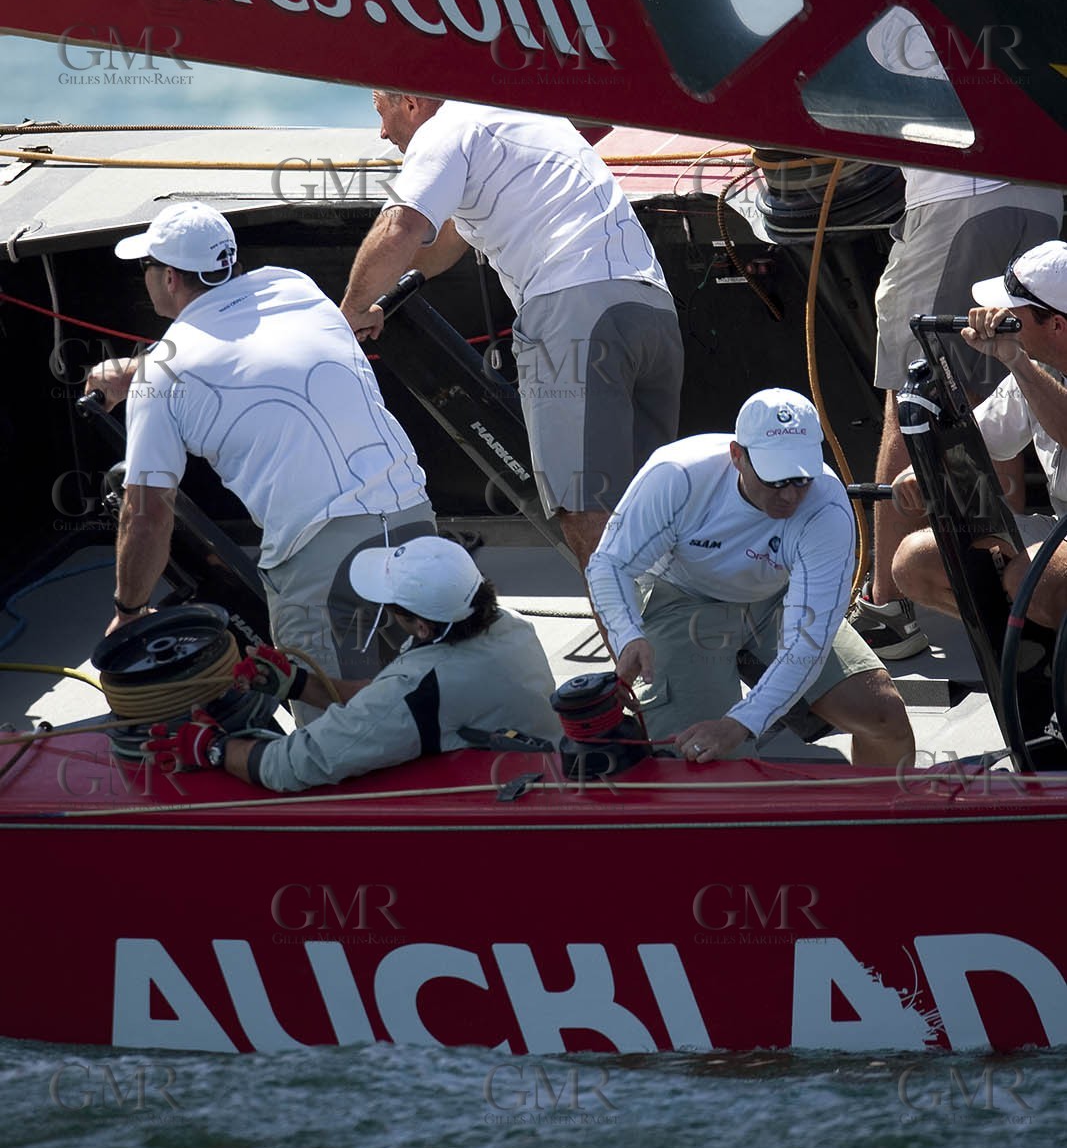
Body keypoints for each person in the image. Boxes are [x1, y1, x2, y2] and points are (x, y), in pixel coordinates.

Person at [86, 202, 434, 708]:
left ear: (167, 278)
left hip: (324, 561)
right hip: (412, 516)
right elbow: (247, 349)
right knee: (428, 685)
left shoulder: (163, 373)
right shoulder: (296, 286)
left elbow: (146, 514)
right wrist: (139, 371)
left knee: (341, 722)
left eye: (146, 269)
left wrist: (130, 608)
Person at [338, 94, 685, 569]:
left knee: (583, 506)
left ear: (412, 103)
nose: (382, 132)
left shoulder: (446, 129)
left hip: (573, 310)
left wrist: (350, 312)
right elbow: (442, 246)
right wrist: (380, 298)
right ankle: (683, 631)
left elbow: (402, 227)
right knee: (653, 499)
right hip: (649, 308)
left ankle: (630, 640)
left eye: (380, 111)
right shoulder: (518, 113)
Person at [585, 389, 914, 766]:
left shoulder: (827, 506)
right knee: (703, 761)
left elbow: (809, 642)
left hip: (776, 597)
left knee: (885, 717)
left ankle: (880, 822)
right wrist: (628, 634)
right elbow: (609, 564)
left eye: (801, 479)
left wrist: (741, 721)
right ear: (737, 456)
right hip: (683, 599)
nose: (790, 496)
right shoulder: (677, 475)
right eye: (775, 480)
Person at [142, 537, 561, 791]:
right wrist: (298, 684)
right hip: (544, 773)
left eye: (393, 608)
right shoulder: (508, 628)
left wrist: (211, 747)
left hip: (500, 809)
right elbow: (395, 702)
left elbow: (289, 766)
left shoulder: (422, 688)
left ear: (420, 625)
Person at [893, 242, 1067, 629]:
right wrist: (922, 470)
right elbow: (980, 443)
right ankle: (1031, 661)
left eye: (1013, 314)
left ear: (1056, 325)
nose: (1000, 317)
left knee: (1034, 579)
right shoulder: (1034, 369)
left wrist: (1015, 359)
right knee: (916, 562)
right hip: (1062, 526)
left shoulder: (1025, 366)